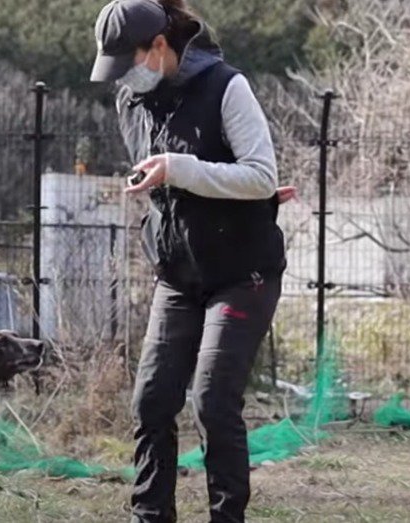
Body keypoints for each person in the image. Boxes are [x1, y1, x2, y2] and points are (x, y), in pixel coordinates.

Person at [90, 1, 288, 521]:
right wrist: (151, 183)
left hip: (242, 274)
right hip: (178, 274)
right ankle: (149, 516)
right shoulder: (130, 100)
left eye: (128, 64)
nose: (124, 80)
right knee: (151, 401)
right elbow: (170, 176)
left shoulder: (227, 87)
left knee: (212, 401)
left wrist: (180, 170)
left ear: (159, 46)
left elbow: (260, 177)